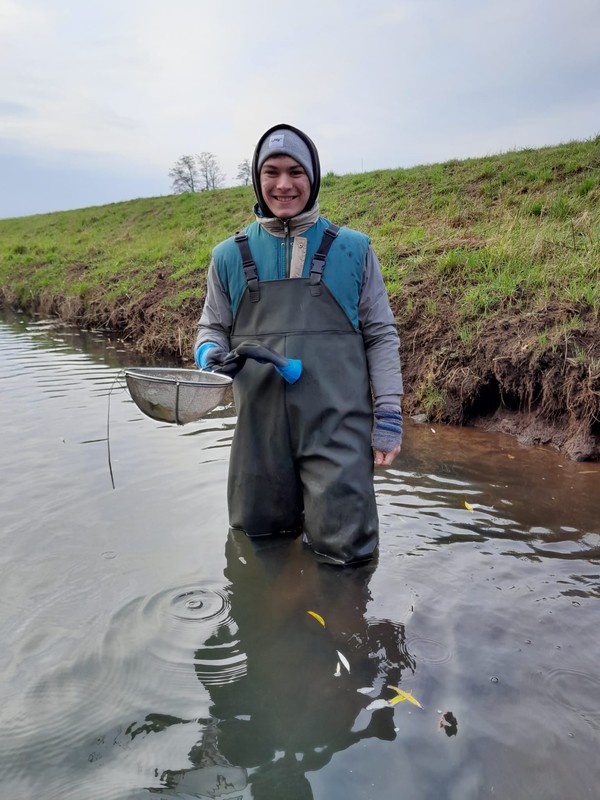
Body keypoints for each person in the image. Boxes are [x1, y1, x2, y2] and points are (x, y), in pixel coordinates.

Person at [194, 123, 403, 565]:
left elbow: (381, 336)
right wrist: (207, 352)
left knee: (347, 555)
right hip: (258, 436)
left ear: (313, 178)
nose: (283, 184)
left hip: (337, 433)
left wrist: (388, 416)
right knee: (257, 546)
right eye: (271, 172)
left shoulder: (354, 250)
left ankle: (342, 629)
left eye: (295, 172)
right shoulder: (227, 256)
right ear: (257, 178)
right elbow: (211, 326)